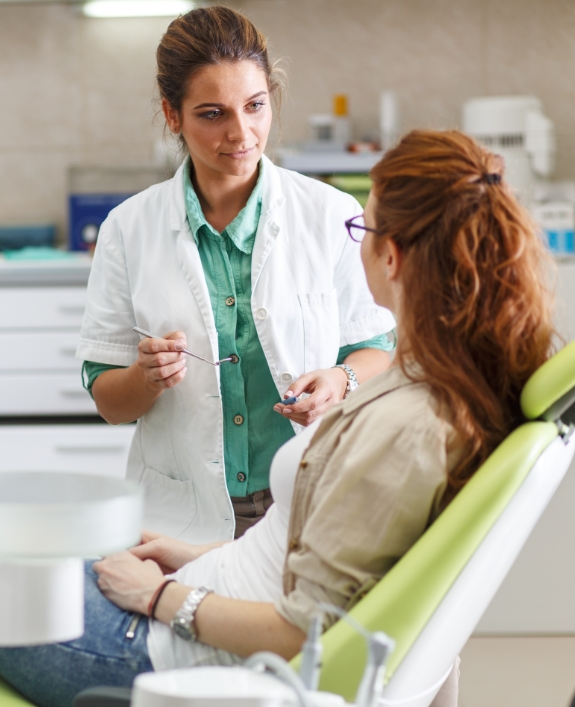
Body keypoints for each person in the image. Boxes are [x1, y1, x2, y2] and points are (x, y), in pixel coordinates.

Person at [0, 129, 555, 707]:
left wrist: (156, 598)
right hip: (196, 594)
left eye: (362, 228)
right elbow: (311, 565)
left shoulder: (406, 429)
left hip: (168, 648)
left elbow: (302, 632)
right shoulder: (431, 395)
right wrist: (189, 558)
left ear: (389, 255)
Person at [76, 6, 395, 542]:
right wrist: (145, 378)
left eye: (254, 106)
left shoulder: (329, 214)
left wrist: (342, 380)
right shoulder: (127, 229)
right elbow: (109, 400)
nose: (241, 133)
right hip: (181, 515)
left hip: (307, 501)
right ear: (171, 114)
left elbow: (377, 350)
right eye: (212, 113)